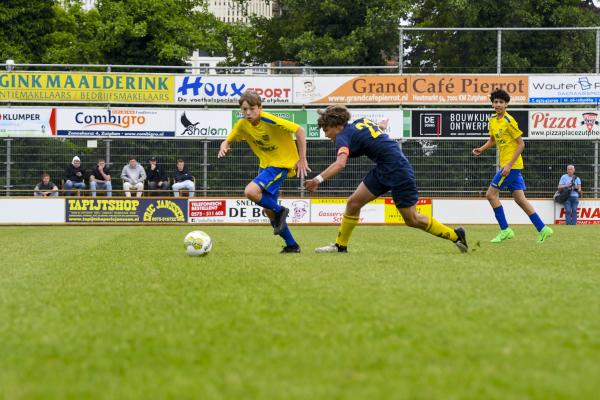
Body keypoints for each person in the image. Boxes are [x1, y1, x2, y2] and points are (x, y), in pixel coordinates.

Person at [304, 105, 467, 254]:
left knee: (412, 219)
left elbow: (340, 164)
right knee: (353, 203)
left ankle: (455, 235)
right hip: (384, 168)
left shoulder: (343, 136)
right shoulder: (361, 123)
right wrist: (382, 125)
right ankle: (340, 245)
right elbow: (378, 130)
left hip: (398, 170)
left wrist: (317, 180)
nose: (326, 135)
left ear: (335, 126)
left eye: (326, 130)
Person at [218, 90, 310, 253]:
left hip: (282, 163)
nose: (248, 113)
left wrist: (302, 159)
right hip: (265, 165)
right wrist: (224, 146)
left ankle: (281, 210)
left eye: (252, 108)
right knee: (269, 210)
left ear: (260, 107)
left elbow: (300, 131)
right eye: (244, 109)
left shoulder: (269, 119)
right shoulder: (242, 124)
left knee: (250, 192)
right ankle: (292, 245)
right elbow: (228, 139)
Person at [472, 88, 553, 243]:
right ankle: (543, 229)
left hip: (511, 166)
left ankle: (505, 230)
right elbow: (493, 140)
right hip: (508, 166)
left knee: (490, 195)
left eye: (501, 102)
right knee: (520, 199)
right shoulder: (493, 121)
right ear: (492, 104)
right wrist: (481, 149)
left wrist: (509, 165)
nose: (498, 104)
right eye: (495, 102)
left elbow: (521, 144)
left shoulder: (509, 121)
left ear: (506, 104)